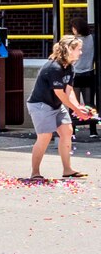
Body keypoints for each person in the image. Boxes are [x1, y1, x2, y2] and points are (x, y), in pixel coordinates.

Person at [27, 35, 92, 181]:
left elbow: (69, 92)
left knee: (67, 131)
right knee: (45, 136)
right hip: (41, 105)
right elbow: (60, 93)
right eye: (78, 49)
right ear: (69, 50)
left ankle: (67, 170)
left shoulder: (69, 67)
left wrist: (78, 107)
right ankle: (35, 172)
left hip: (56, 104)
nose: (81, 53)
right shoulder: (54, 67)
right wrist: (76, 110)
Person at [69, 22, 96, 139]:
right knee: (89, 103)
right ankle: (93, 130)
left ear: (75, 29)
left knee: (73, 104)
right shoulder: (92, 39)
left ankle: (73, 130)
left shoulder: (73, 41)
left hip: (75, 74)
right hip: (89, 72)